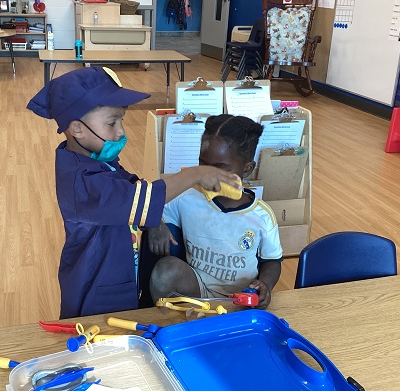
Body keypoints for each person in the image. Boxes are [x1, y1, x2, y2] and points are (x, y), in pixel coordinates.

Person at [26, 66, 241, 319]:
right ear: (77, 129)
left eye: (121, 121)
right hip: (95, 293)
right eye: (111, 123)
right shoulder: (81, 180)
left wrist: (154, 220)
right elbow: (135, 198)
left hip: (117, 276)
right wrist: (195, 174)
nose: (121, 131)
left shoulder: (94, 160)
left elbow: (130, 186)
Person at [148, 114, 284, 309]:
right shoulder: (187, 197)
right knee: (165, 270)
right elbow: (151, 206)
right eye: (203, 165)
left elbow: (272, 261)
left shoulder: (262, 215)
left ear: (247, 169)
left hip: (243, 299)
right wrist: (155, 224)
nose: (207, 174)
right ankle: (167, 326)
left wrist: (266, 285)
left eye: (219, 168)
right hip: (198, 291)